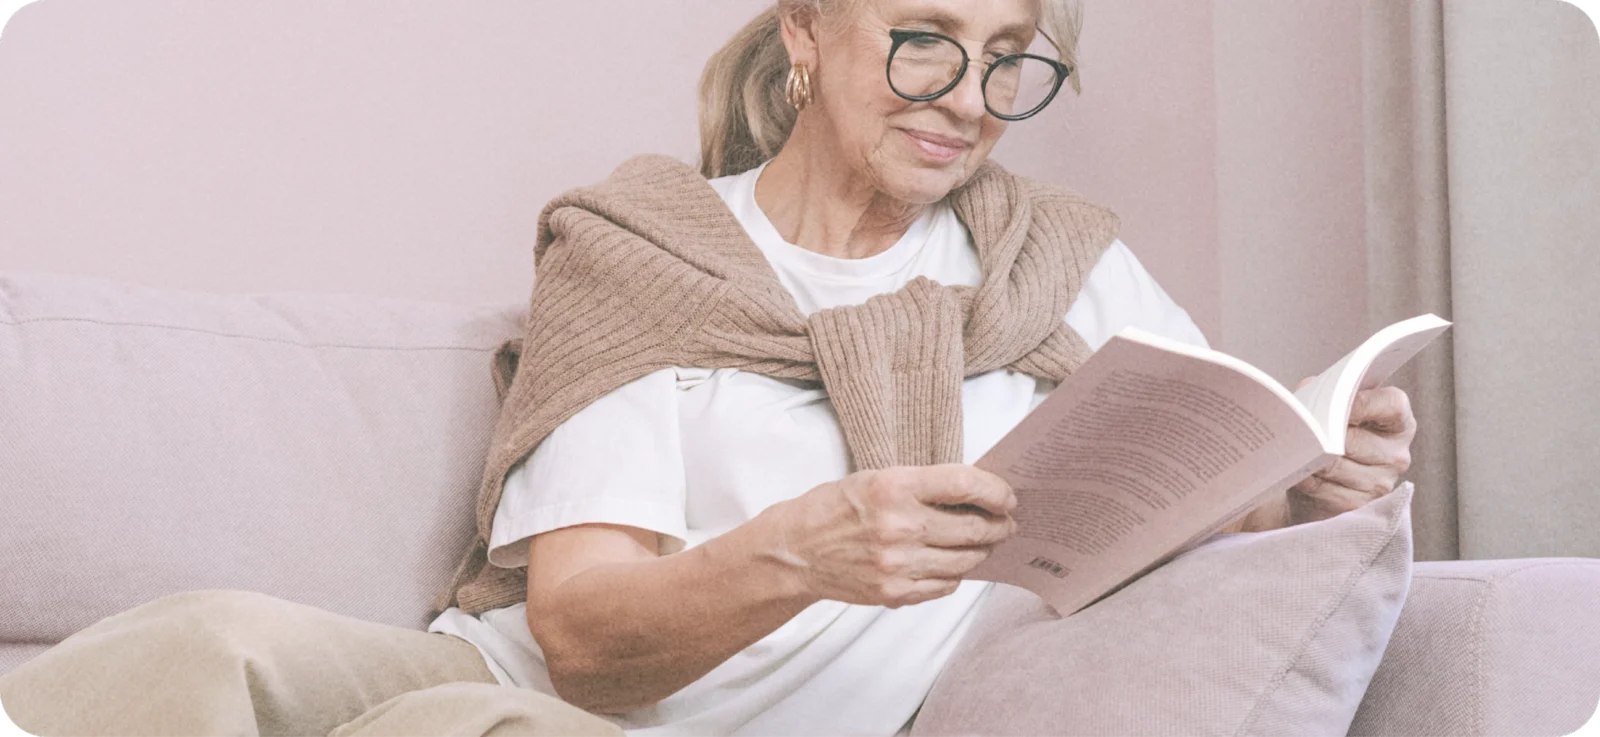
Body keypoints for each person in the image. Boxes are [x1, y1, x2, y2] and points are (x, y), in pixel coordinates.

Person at [0, 1, 1417, 735]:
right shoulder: (651, 251)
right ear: (804, 30)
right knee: (207, 643)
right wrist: (802, 553)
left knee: (460, 730)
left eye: (1008, 60)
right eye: (922, 44)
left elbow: (1192, 495)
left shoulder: (1060, 269)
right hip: (553, 684)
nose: (971, 105)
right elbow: (586, 637)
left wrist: (1313, 483)